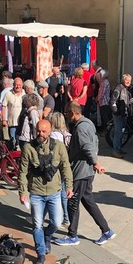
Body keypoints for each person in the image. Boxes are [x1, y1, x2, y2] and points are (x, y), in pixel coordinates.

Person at [54, 102, 115, 247]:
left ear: (73, 112)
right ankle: (106, 231)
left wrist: (96, 163)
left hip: (81, 172)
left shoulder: (81, 128)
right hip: (87, 171)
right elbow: (95, 143)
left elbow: (87, 147)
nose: (66, 116)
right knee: (88, 201)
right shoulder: (88, 123)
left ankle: (72, 236)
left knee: (72, 202)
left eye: (67, 113)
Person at [18, 119, 74, 264]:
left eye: (43, 131)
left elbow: (66, 167)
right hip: (36, 193)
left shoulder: (59, 147)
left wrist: (69, 186)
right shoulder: (28, 148)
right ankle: (40, 253)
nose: (40, 134)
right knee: (37, 225)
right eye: (38, 131)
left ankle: (47, 236)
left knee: (56, 222)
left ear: (50, 132)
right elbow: (22, 171)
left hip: (55, 192)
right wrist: (22, 192)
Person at [49, 111, 72, 226]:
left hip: (56, 167)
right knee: (64, 193)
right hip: (65, 165)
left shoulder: (52, 136)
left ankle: (60, 217)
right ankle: (67, 218)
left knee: (57, 193)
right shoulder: (66, 134)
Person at [110, 74, 133, 158]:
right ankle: (115, 151)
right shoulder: (118, 89)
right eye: (127, 80)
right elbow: (113, 102)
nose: (128, 82)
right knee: (118, 132)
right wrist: (117, 113)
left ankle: (119, 148)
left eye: (130, 81)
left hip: (124, 114)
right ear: (123, 80)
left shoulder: (125, 89)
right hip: (119, 115)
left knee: (122, 132)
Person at [1, 77, 25, 146]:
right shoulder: (8, 94)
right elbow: (3, 106)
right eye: (16, 85)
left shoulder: (24, 93)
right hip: (12, 123)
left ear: (22, 85)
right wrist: (4, 120)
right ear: (13, 85)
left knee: (20, 140)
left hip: (22, 122)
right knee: (13, 140)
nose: (18, 86)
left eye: (19, 85)